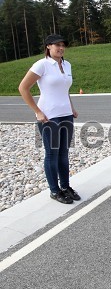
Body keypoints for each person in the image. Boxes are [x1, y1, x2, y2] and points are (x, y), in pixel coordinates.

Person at [18, 34, 81, 205]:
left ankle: (66, 187)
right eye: (57, 45)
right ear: (48, 47)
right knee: (52, 154)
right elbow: (23, 88)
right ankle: (55, 190)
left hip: (66, 114)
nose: (60, 48)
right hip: (48, 116)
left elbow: (64, 90)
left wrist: (72, 107)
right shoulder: (42, 65)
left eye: (63, 45)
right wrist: (37, 111)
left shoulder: (67, 65)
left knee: (64, 153)